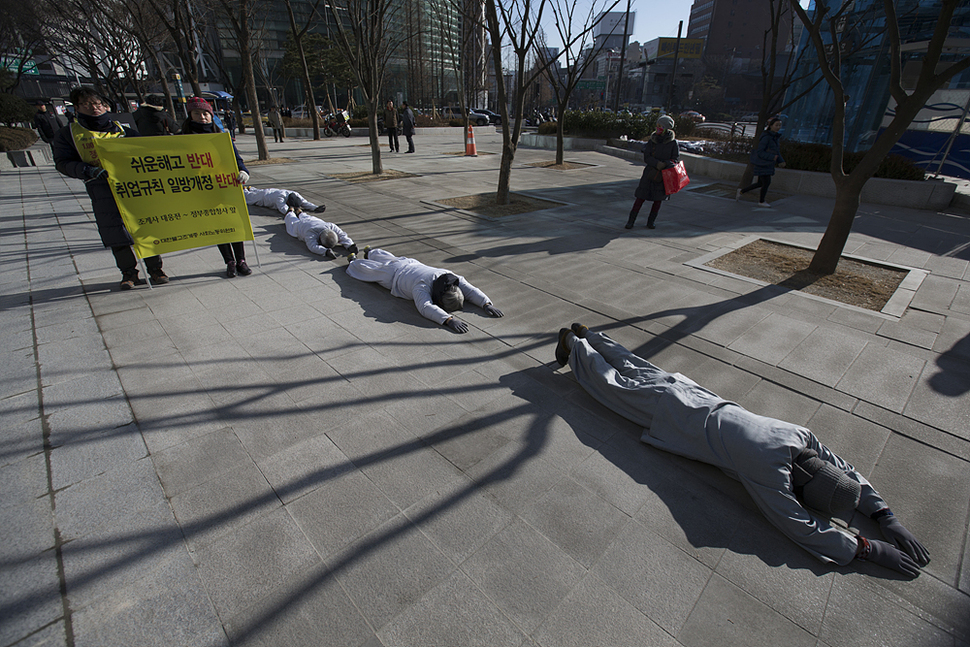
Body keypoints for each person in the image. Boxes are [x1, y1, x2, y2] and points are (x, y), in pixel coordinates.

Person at [553, 324, 931, 577]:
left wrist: (883, 513)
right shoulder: (767, 469)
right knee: (609, 385)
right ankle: (573, 345)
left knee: (638, 366)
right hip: (673, 415)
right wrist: (865, 548)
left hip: (695, 395)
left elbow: (840, 468)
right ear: (800, 488)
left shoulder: (799, 436)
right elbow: (796, 523)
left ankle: (591, 334)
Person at [52, 86, 169, 290]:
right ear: (78, 107)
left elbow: (146, 153)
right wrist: (87, 170)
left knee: (145, 227)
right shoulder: (69, 134)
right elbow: (63, 162)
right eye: (87, 104)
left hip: (133, 189)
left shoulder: (124, 130)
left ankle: (156, 270)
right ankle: (129, 273)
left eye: (98, 103)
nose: (94, 108)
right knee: (114, 232)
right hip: (101, 189)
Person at [346, 248, 504, 333]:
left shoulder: (449, 277)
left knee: (387, 258)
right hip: (393, 276)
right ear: (440, 300)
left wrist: (486, 304)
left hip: (409, 263)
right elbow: (424, 307)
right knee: (369, 271)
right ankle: (353, 261)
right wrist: (448, 320)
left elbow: (470, 291)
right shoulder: (422, 286)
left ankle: (371, 251)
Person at [180, 96, 252, 278]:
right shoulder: (183, 140)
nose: (202, 117)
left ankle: (241, 260)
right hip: (202, 191)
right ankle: (229, 261)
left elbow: (237, 160)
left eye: (206, 113)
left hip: (226, 188)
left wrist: (243, 171)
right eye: (197, 113)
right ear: (190, 116)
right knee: (218, 227)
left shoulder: (221, 138)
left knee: (233, 224)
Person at [627, 115, 680, 230]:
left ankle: (651, 222)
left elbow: (675, 159)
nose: (657, 128)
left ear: (666, 128)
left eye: (660, 126)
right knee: (640, 198)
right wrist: (656, 163)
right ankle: (631, 221)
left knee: (658, 200)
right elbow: (647, 156)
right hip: (650, 173)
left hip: (662, 176)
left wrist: (665, 164)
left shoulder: (673, 143)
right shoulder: (653, 140)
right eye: (657, 126)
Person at [737, 116, 786, 207]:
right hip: (763, 163)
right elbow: (760, 151)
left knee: (761, 183)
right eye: (776, 125)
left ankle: (742, 191)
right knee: (766, 182)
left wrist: (780, 160)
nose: (778, 127)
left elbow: (776, 152)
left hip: (768, 163)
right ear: (771, 126)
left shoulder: (774, 137)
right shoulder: (767, 137)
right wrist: (772, 157)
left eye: (780, 125)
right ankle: (761, 201)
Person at [285, 210, 358, 259]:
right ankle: (290, 210)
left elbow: (342, 235)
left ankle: (299, 211)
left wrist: (350, 245)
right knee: (291, 221)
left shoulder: (331, 226)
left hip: (313, 220)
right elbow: (312, 246)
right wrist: (325, 251)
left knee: (305, 216)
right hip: (300, 226)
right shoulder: (311, 232)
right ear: (320, 237)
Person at [243, 186, 326, 217]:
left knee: (256, 192)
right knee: (250, 199)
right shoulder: (280, 198)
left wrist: (315, 208)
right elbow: (283, 209)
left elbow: (305, 203)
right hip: (264, 197)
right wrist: (293, 212)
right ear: (289, 202)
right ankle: (244, 190)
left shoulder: (295, 195)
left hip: (271, 191)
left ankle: (251, 189)